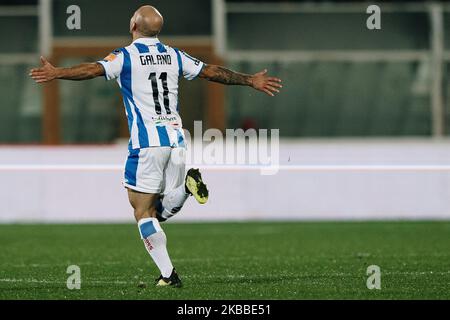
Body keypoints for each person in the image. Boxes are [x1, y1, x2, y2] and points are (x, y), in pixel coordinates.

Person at [30, 5, 282, 287]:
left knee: (142, 211)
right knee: (157, 211)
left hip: (147, 142)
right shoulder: (174, 55)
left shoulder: (125, 56)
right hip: (176, 139)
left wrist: (57, 73)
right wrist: (250, 80)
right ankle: (183, 200)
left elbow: (92, 69)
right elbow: (212, 71)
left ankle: (169, 274)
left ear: (133, 26)